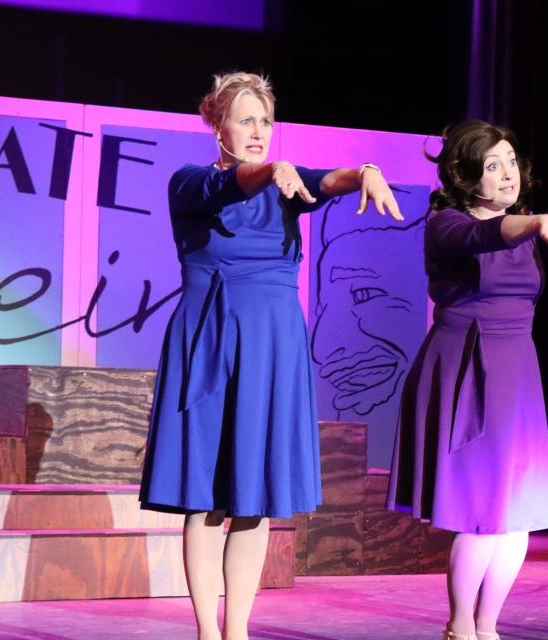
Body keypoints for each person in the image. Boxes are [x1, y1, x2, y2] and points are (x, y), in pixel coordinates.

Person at [138, 71, 402, 640]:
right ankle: (208, 630)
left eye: (265, 121)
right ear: (217, 124)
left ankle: (239, 631)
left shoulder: (288, 181)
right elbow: (232, 186)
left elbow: (330, 180)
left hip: (273, 341)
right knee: (205, 496)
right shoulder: (188, 182)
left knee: (253, 496)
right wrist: (268, 171)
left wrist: (367, 172)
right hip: (210, 337)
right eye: (245, 119)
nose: (258, 131)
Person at [386, 120, 548, 640]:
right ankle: (461, 626)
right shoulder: (446, 223)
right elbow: (487, 233)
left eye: (510, 161)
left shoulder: (532, 223)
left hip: (516, 370)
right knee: (480, 514)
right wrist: (538, 225)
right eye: (492, 166)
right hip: (464, 363)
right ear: (466, 176)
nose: (507, 174)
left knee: (516, 518)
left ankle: (488, 626)